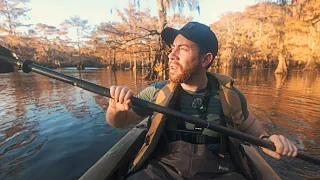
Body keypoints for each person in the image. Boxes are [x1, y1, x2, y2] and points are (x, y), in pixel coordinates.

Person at [106, 22, 298, 180]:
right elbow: (118, 122)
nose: (172, 56)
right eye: (173, 48)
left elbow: (252, 128)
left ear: (205, 59)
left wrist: (268, 141)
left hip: (219, 171)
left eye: (183, 49)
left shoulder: (230, 96)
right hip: (163, 168)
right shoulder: (156, 91)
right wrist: (116, 108)